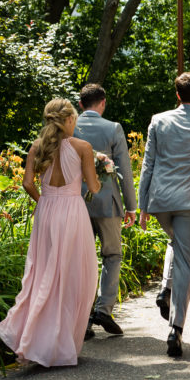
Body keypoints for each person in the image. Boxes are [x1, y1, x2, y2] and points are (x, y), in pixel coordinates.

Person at [0, 98, 100, 367]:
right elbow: (94, 187)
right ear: (68, 120)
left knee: (43, 274)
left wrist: (45, 203)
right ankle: (60, 344)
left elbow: (27, 183)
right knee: (75, 277)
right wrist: (103, 171)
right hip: (73, 212)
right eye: (73, 119)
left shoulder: (37, 147)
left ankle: (35, 340)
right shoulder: (83, 147)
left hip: (47, 212)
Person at [138, 72, 190, 358]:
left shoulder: (158, 121)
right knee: (185, 260)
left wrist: (143, 205)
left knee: (176, 244)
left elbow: (148, 164)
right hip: (189, 200)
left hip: (161, 201)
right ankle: (176, 328)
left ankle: (165, 288)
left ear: (177, 95)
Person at [74, 84, 138, 339]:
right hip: (107, 203)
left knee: (81, 260)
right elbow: (125, 169)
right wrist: (131, 206)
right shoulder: (113, 128)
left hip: (76, 204)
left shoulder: (69, 127)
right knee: (112, 255)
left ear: (80, 104)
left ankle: (84, 317)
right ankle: (104, 309)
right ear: (103, 103)